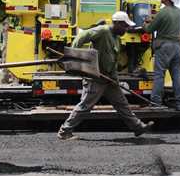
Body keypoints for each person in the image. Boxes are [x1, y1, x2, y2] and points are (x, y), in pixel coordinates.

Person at [57, 11, 155, 140]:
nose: (127, 29)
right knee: (85, 106)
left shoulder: (117, 39)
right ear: (117, 23)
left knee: (122, 104)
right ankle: (64, 132)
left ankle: (137, 127)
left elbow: (112, 62)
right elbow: (82, 36)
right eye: (125, 26)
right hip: (95, 78)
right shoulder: (102, 31)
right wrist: (75, 56)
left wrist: (115, 79)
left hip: (109, 78)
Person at [142, 0, 180, 111]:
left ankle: (156, 102)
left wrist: (145, 23)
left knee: (159, 75)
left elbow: (150, 29)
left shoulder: (163, 12)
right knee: (176, 75)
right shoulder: (179, 12)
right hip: (177, 46)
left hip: (164, 47)